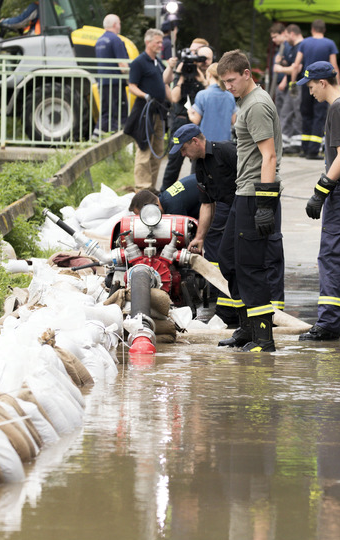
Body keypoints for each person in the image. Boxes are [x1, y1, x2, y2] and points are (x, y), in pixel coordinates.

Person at [172, 123, 285, 335]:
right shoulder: (200, 167)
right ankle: (244, 320)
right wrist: (200, 237)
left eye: (184, 150)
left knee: (268, 256)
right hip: (236, 210)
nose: (184, 155)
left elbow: (262, 169)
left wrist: (264, 207)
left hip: (259, 203)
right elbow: (207, 204)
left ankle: (275, 315)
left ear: (195, 141)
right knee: (228, 260)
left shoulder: (227, 152)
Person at [215, 49, 284, 352]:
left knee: (250, 267)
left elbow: (269, 156)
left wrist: (265, 204)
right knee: (228, 260)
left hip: (255, 196)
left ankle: (263, 338)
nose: (228, 86)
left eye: (231, 80)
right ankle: (245, 328)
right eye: (224, 82)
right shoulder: (246, 101)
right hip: (243, 193)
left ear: (247, 74)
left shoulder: (255, 105)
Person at [297, 61, 340, 341]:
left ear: (323, 82)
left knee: (331, 255)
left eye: (311, 85)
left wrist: (321, 191)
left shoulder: (337, 108)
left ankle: (328, 323)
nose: (310, 91)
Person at [161, 40, 214, 192]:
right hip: (181, 121)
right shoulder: (184, 70)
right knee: (174, 162)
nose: (202, 63)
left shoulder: (210, 75)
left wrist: (202, 80)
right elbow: (174, 98)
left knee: (199, 164)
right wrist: (181, 76)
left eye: (206, 59)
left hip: (200, 125)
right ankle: (165, 194)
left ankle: (198, 194)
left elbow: (213, 95)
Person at [127, 28, 173, 192]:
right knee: (144, 150)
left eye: (162, 42)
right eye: (158, 42)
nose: (161, 45)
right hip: (145, 112)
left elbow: (165, 83)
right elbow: (132, 85)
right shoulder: (139, 62)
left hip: (159, 111)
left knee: (158, 151)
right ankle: (142, 188)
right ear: (148, 42)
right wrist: (145, 95)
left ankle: (151, 188)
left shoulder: (158, 63)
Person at [291, 20, 339, 160]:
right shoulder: (330, 44)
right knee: (319, 116)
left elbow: (296, 65)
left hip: (307, 83)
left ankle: (304, 148)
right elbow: (334, 66)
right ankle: (313, 151)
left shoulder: (305, 43)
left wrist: (293, 84)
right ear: (324, 30)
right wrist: (337, 86)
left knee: (306, 114)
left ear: (312, 29)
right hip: (322, 85)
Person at [94, 14, 130, 134]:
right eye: (119, 23)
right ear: (115, 25)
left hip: (103, 82)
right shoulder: (116, 40)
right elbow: (123, 65)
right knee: (119, 113)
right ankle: (119, 139)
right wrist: (132, 78)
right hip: (115, 83)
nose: (120, 26)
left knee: (106, 111)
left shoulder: (99, 41)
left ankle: (97, 135)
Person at [273, 24, 304, 153]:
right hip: (294, 84)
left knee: (292, 112)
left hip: (297, 84)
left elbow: (296, 67)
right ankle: (287, 142)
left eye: (285, 36)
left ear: (291, 34)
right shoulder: (292, 48)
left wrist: (281, 69)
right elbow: (292, 65)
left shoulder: (299, 47)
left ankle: (289, 143)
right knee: (288, 112)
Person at [188, 63, 237, 142]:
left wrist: (189, 112)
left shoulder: (202, 95)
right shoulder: (229, 96)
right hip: (225, 143)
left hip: (207, 143)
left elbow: (196, 120)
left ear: (209, 75)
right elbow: (234, 121)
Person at [128, 174, 202, 219]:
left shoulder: (174, 209)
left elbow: (183, 234)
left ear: (150, 208)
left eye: (143, 216)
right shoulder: (165, 197)